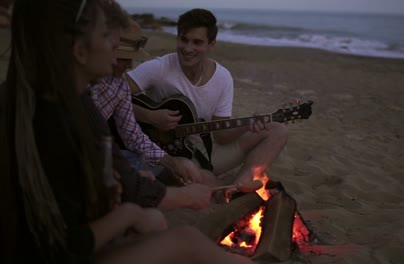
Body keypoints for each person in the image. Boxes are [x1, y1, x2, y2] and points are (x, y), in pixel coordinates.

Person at [0, 1, 253, 263]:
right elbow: (66, 242)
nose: (120, 54)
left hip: (69, 239)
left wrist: (170, 163)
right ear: (79, 51)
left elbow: (128, 142)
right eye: (108, 38)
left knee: (152, 218)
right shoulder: (59, 116)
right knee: (187, 239)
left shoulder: (65, 97)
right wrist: (179, 197)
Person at [126, 8, 288, 192]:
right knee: (202, 178)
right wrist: (149, 116)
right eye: (183, 40)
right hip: (167, 154)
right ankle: (220, 186)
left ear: (211, 44)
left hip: (205, 149)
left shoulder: (223, 78)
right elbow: (112, 94)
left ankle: (237, 188)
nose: (187, 48)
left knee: (277, 130)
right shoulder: (159, 67)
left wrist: (247, 125)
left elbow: (221, 136)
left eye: (197, 42)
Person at [90, 18, 215, 211]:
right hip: (85, 159)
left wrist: (173, 162)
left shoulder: (120, 85)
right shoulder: (79, 82)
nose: (130, 65)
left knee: (185, 173)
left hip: (106, 154)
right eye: (124, 57)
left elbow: (133, 136)